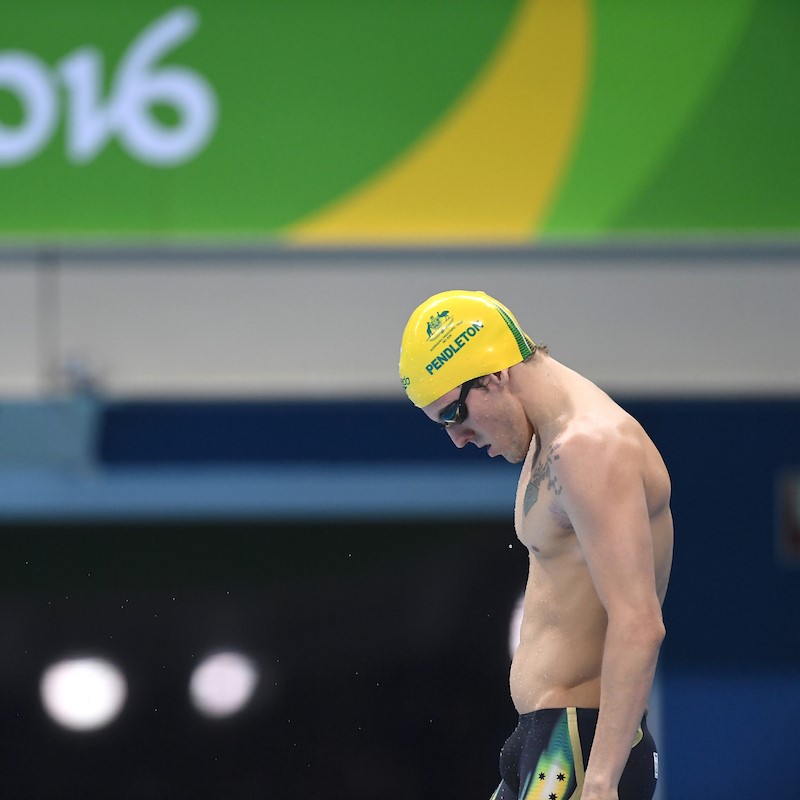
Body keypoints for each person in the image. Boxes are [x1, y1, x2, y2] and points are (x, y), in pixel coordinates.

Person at [399, 290, 673, 800]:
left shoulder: (589, 448)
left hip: (576, 747)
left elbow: (638, 622)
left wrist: (601, 781)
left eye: (453, 414)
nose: (457, 438)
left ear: (495, 375)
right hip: (548, 738)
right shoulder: (547, 442)